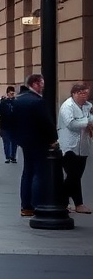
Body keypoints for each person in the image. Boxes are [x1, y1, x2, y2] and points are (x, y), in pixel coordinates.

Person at [13, 73, 58, 217]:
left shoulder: (18, 100)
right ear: (35, 83)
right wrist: (53, 139)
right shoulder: (37, 101)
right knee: (39, 173)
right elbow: (46, 123)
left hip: (24, 142)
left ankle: (25, 206)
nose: (43, 87)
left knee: (27, 172)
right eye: (42, 84)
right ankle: (37, 204)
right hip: (39, 142)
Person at [57, 83, 92, 214]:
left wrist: (88, 121)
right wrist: (86, 122)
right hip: (69, 146)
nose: (84, 96)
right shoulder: (67, 106)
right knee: (73, 176)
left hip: (83, 146)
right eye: (82, 93)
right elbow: (71, 124)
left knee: (77, 176)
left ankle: (73, 203)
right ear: (74, 94)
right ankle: (62, 200)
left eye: (86, 93)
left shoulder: (88, 106)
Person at [0, 86, 18, 163]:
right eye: (10, 93)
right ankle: (8, 157)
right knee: (6, 142)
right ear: (7, 93)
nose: (12, 95)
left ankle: (13, 156)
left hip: (14, 125)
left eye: (13, 93)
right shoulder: (4, 102)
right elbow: (1, 112)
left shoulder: (16, 102)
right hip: (5, 125)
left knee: (14, 142)